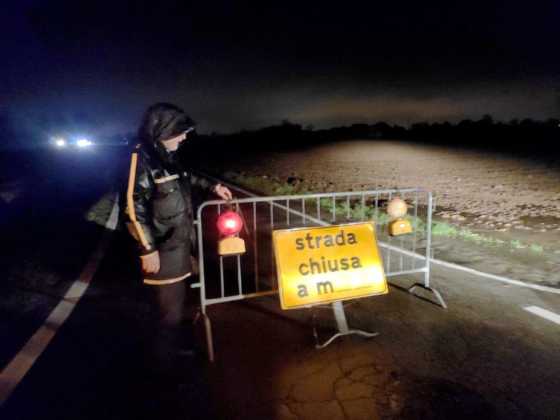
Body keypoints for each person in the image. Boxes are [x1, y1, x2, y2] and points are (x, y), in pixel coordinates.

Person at [125, 103, 232, 366]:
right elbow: (132, 205)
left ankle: (171, 353)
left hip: (179, 244)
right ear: (163, 130)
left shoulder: (166, 157)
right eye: (180, 132)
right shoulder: (142, 159)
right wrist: (147, 249)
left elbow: (186, 177)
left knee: (176, 307)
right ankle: (166, 371)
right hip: (162, 250)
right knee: (168, 315)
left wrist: (213, 186)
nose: (185, 137)